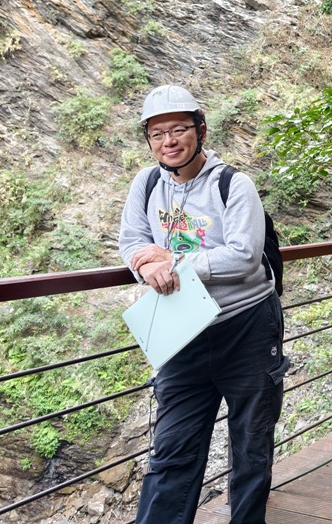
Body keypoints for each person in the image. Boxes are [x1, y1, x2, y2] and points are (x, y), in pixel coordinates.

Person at [119, 85, 290, 524]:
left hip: (246, 326)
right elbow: (132, 241)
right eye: (157, 134)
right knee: (173, 447)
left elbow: (245, 254)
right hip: (183, 330)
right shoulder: (147, 183)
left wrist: (172, 259)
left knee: (251, 443)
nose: (169, 141)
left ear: (201, 130)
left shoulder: (233, 184)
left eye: (178, 129)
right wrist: (145, 263)